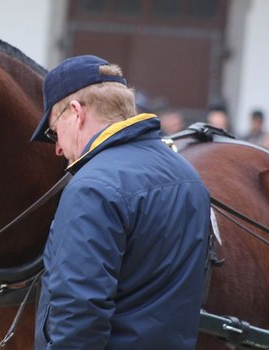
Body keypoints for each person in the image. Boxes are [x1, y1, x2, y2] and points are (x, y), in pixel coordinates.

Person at [30, 55, 210, 349]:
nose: (58, 148)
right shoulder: (188, 176)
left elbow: (78, 317)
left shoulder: (91, 187)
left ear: (76, 112)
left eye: (53, 131)